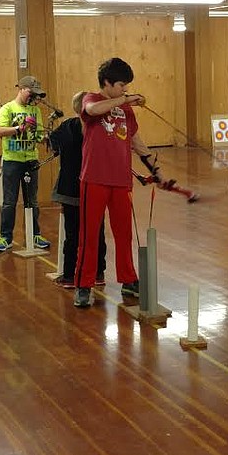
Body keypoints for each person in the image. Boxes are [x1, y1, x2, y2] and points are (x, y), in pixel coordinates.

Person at [72, 57, 163, 309]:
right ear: (107, 83)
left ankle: (128, 278)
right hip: (94, 179)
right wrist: (125, 99)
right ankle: (84, 284)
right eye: (121, 85)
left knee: (124, 234)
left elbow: (134, 139)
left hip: (121, 181)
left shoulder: (126, 109)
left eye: (126, 86)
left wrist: (153, 166)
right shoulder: (91, 99)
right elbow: (91, 112)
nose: (125, 89)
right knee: (90, 235)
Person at [47, 91, 106, 288]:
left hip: (72, 188)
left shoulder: (68, 126)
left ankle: (70, 275)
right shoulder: (101, 126)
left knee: (72, 233)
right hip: (97, 186)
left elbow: (52, 144)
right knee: (97, 230)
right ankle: (98, 272)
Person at [0, 76, 51, 252]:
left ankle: (35, 234)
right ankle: (6, 237)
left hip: (31, 160)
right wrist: (18, 129)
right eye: (31, 93)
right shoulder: (8, 108)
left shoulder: (35, 111)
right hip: (12, 161)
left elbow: (38, 134)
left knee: (32, 201)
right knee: (9, 201)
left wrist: (46, 138)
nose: (33, 97)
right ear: (22, 89)